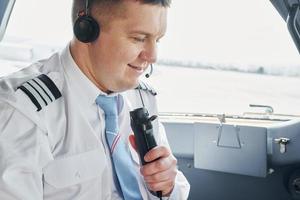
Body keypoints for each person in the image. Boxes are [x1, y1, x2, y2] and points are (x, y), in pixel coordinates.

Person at [0, 0, 190, 199]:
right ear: (86, 29)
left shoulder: (142, 96)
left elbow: (172, 189)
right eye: (139, 38)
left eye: (157, 40)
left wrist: (167, 186)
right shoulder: (21, 111)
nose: (152, 56)